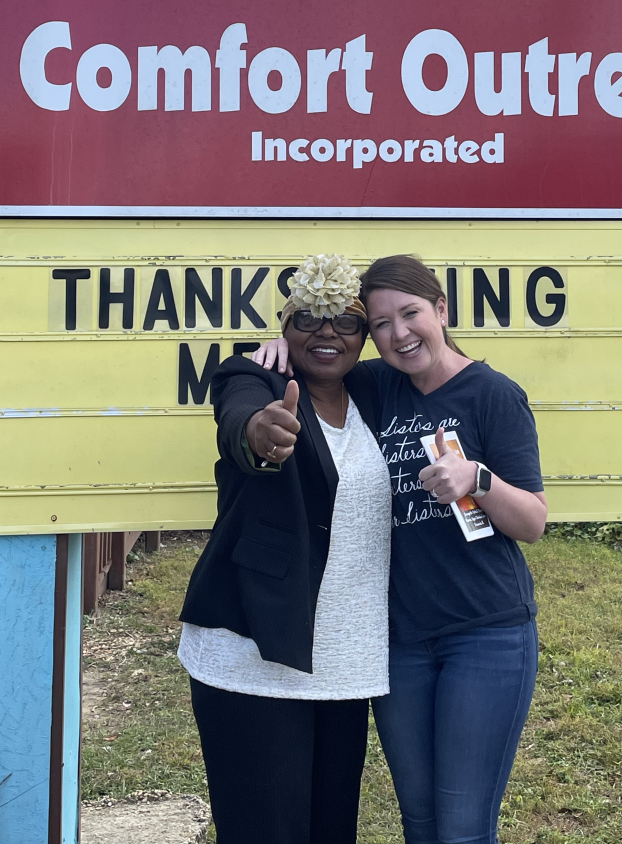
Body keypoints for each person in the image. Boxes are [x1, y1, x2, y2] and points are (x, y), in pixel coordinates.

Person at [255, 254, 547, 844]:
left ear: (441, 310)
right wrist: (280, 341)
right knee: (419, 818)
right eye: (381, 323)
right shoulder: (377, 387)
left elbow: (534, 522)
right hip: (400, 641)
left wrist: (479, 479)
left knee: (463, 827)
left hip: (484, 632)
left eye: (410, 314)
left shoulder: (493, 394)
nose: (398, 334)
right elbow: (320, 360)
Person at [177, 254, 392, 844]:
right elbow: (240, 419)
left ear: (365, 335)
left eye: (345, 320)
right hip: (252, 657)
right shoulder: (253, 377)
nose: (327, 332)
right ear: (284, 325)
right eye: (308, 319)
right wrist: (260, 434)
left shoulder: (376, 393)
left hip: (348, 666)